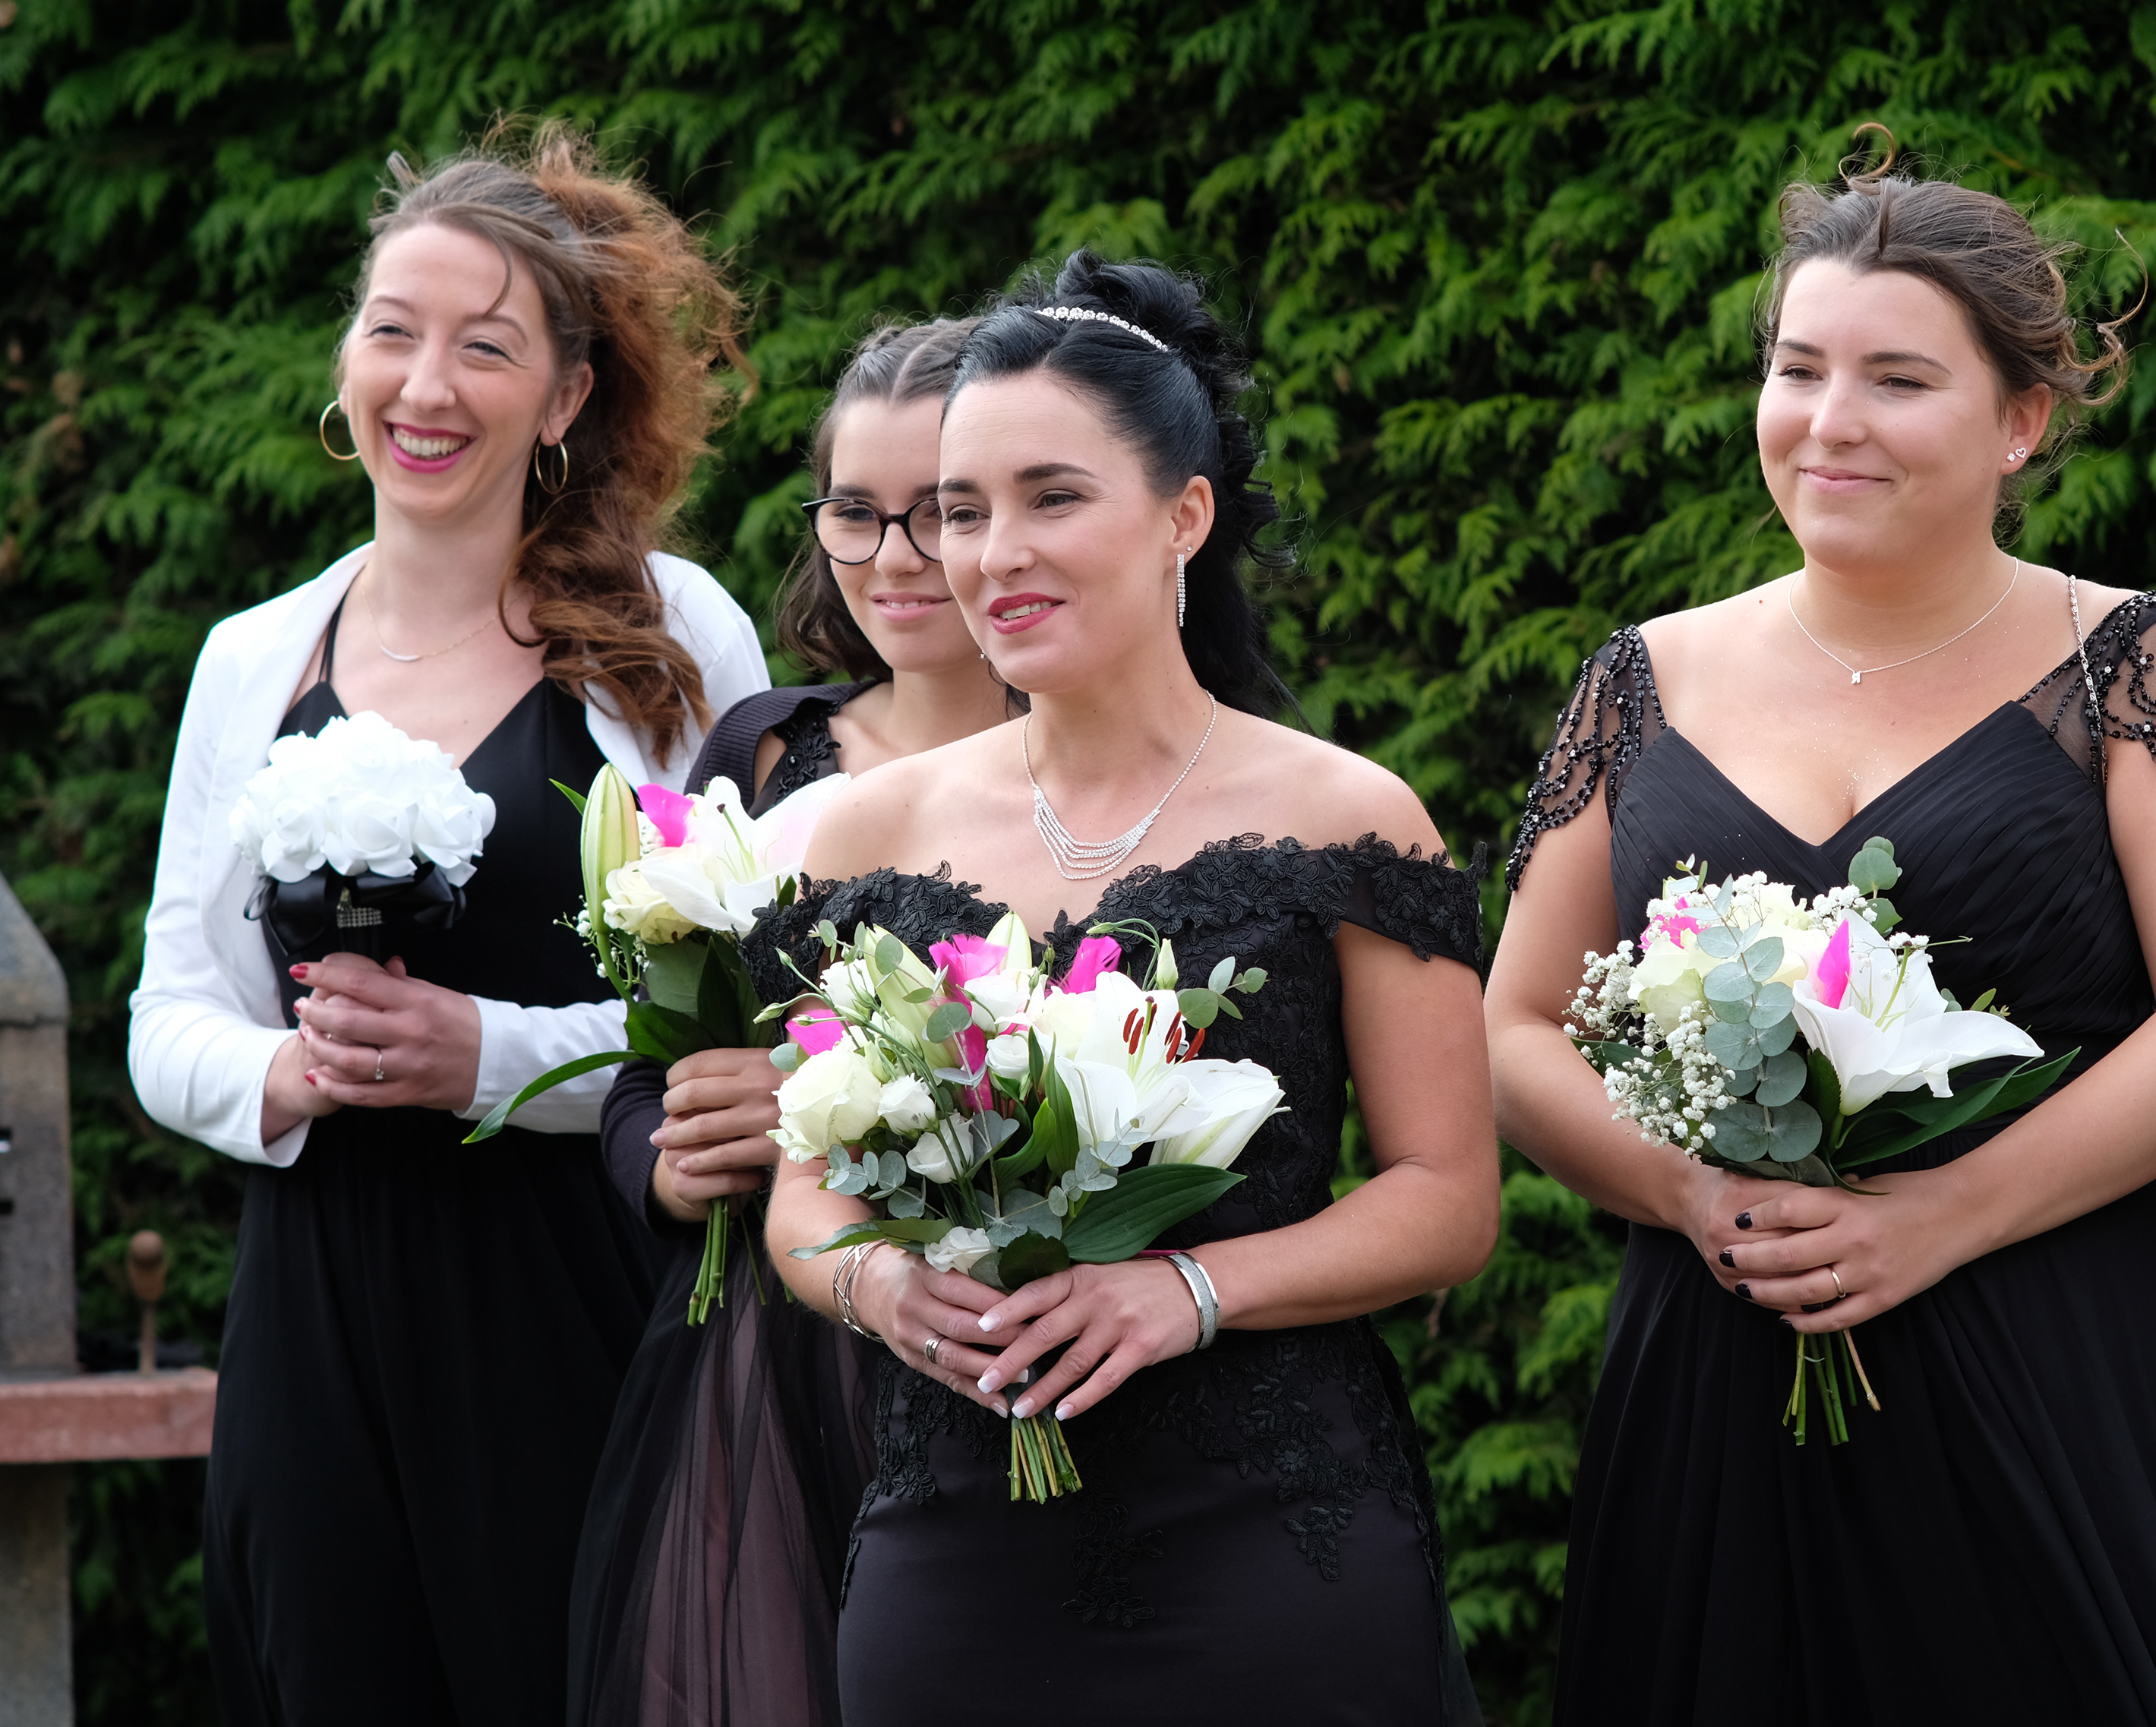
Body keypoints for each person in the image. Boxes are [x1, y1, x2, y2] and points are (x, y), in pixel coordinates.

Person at [1488, 149, 2156, 1725]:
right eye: (1799, 370)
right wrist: (1695, 1195)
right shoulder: (1643, 680)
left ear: (2021, 421)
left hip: (2059, 1354)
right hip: (1722, 1357)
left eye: (1899, 379)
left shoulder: (2134, 664)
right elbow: (1519, 1027)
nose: (1831, 420)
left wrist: (1941, 1216)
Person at [756, 253, 1498, 1722]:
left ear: (1185, 516)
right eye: (963, 510)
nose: (992, 554)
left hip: (1274, 1533)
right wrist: (878, 1283)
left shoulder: (1347, 817)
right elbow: (802, 1202)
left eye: (1052, 497)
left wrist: (1190, 1291)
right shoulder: (857, 836)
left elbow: (1446, 1199)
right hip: (953, 1539)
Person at [128, 127, 769, 1727]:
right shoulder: (253, 657)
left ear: (563, 397)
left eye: (485, 347)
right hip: (318, 1324)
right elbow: (168, 1014)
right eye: (392, 331)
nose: (425, 385)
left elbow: (748, 1022)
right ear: (346, 362)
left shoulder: (669, 634)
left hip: (580, 1302)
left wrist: (482, 1055)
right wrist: (287, 1075)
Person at [569, 317, 1015, 1727]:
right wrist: (673, 1154)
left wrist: (847, 1106)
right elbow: (646, 1066)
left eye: (939, 511)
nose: (894, 557)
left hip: (1012, 1327)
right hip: (782, 1357)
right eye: (854, 513)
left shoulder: (1106, 761)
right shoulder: (769, 750)